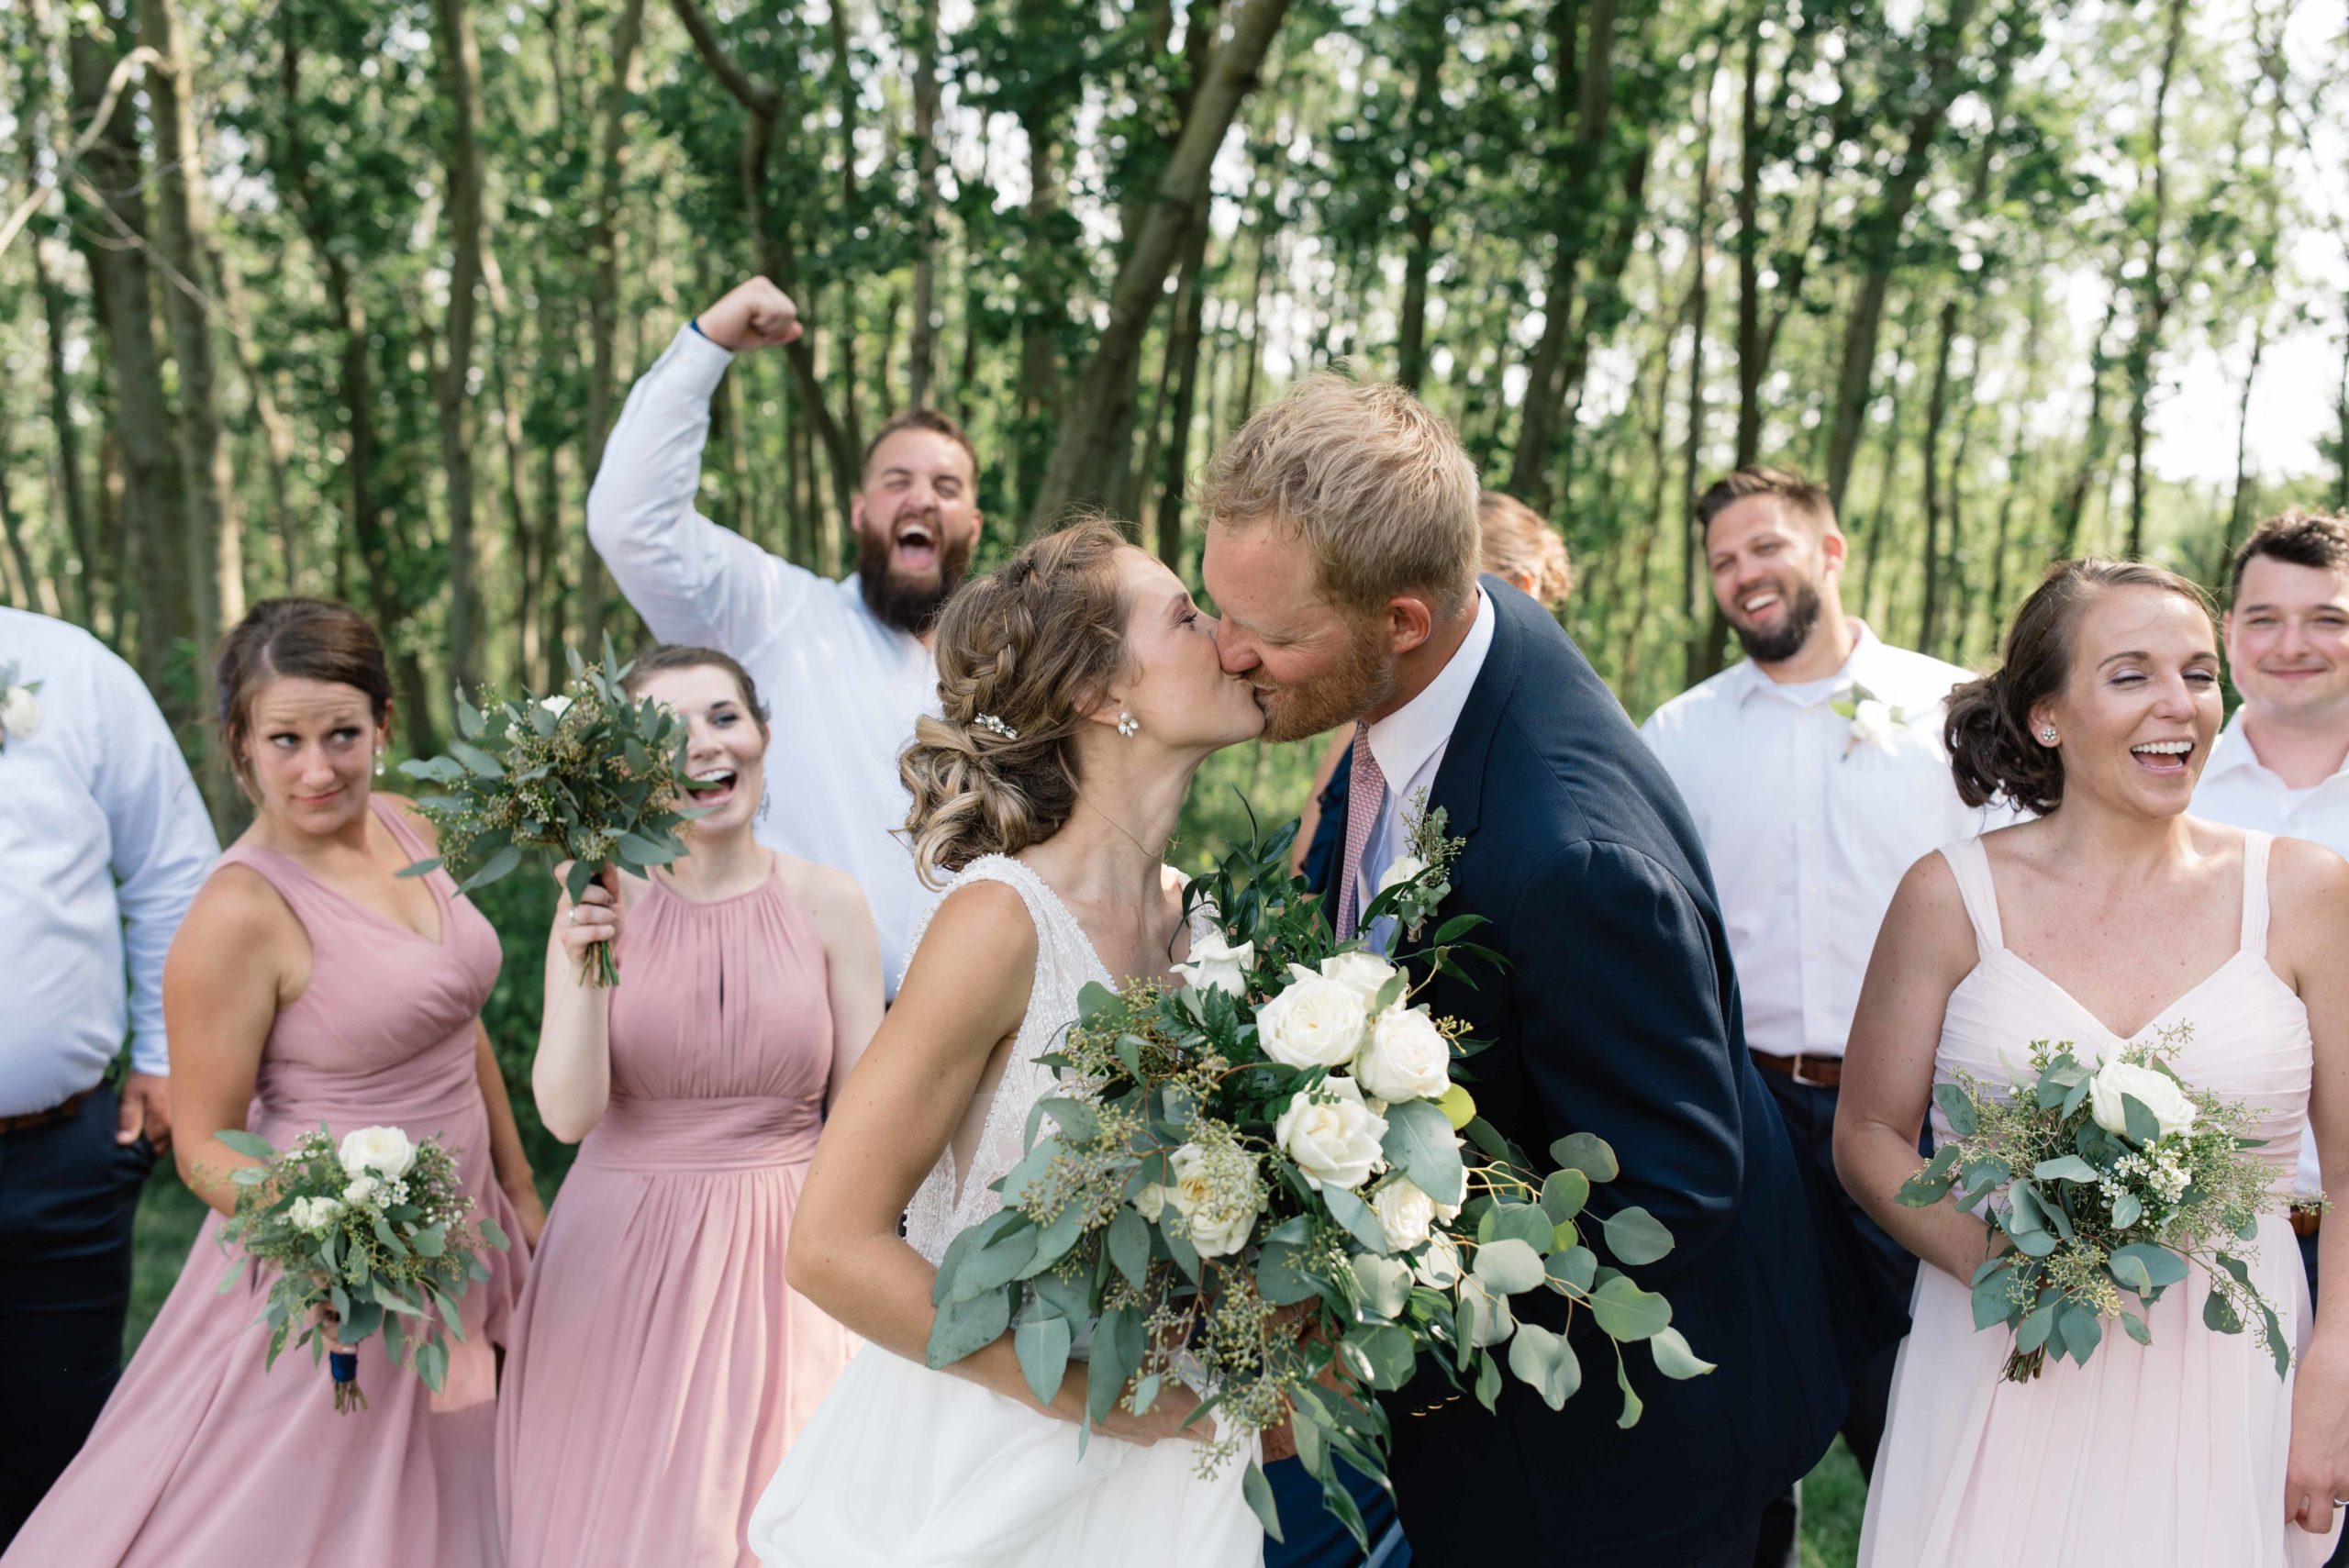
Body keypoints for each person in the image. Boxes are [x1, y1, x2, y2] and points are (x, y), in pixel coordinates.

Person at [1201, 376, 1871, 1565]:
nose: (1229, 652)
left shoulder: (1568, 858)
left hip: (1618, 1472)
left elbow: (1669, 1191)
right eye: (1219, 607)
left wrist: (1358, 1273)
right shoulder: (1461, 657)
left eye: (1275, 634)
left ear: (1403, 620)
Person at [747, 519, 1270, 1566]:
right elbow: (831, 1244)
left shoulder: (1211, 934)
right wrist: (1084, 1397)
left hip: (1175, 1475)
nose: (1226, 634)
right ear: (1097, 691)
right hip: (989, 1460)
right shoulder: (1000, 922)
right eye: (1184, 614)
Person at [1, 598, 545, 1568]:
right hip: (338, 1260)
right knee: (306, 1515)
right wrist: (328, 1232)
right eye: (284, 739)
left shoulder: (409, 823)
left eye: (342, 734)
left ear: (383, 721)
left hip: (465, 1226)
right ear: (240, 746)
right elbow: (205, 1144)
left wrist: (519, 1188)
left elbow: (455, 1030)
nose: (317, 768)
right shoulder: (235, 915)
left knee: (462, 1491)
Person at [1836, 559, 2349, 1565]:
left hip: (2229, 1360)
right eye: (2130, 674)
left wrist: (2332, 1371)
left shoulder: (2302, 892)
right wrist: (2002, 1267)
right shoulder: (1947, 895)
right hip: (1997, 1348)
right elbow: (1866, 1132)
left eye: (2199, 674)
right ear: (2046, 717)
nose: (2180, 705)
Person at [1637, 465, 1987, 1562]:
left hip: (1923, 1116)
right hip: (1749, 1115)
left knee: (1922, 1394)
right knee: (1750, 1398)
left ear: (1829, 551)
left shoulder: (1950, 711)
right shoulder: (1677, 734)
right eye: (1723, 560)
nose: (1744, 574)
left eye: (1766, 547)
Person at [497, 645, 880, 1568]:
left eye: (721, 716)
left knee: (781, 1522)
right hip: (623, 1254)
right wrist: (584, 958)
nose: (700, 746)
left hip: (789, 1250)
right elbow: (566, 1113)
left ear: (762, 736)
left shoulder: (830, 902)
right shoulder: (595, 897)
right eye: (662, 731)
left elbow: (869, 1117)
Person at [588, 275, 985, 997]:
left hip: (978, 1036)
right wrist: (708, 343)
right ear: (860, 513)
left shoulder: (1007, 676)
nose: (922, 497)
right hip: (806, 1024)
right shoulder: (779, 614)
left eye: (947, 486)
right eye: (898, 481)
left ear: (975, 526)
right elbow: (630, 523)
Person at [0, 608, 217, 1548]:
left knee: (62, 1454)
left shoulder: (69, 669)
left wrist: (169, 1057)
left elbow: (172, 871)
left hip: (67, 1153)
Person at [2194, 511, 2349, 1288]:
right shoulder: (2163, 795)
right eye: (2265, 619)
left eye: (2328, 619)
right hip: (2184, 1239)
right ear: (2228, 632)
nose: (2293, 645)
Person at [1293, 489, 1572, 888]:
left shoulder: (1534, 755)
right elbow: (1305, 866)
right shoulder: (1363, 726)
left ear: (1521, 589)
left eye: (1462, 588)